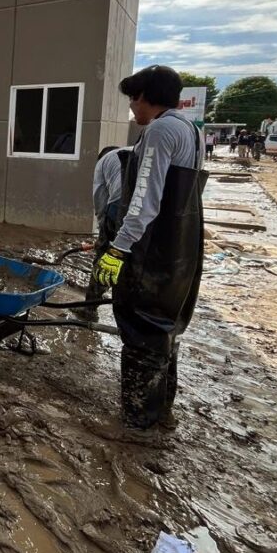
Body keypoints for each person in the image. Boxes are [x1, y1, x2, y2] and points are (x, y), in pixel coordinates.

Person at [93, 64, 206, 430]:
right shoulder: (191, 129)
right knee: (164, 331)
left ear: (146, 97)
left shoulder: (159, 130)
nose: (131, 108)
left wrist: (117, 249)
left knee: (142, 331)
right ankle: (159, 410)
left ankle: (138, 418)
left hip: (150, 250)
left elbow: (144, 202)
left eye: (133, 99)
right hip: (181, 249)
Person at [81, 144, 131, 319]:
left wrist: (103, 234)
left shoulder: (103, 162)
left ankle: (89, 309)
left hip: (120, 205)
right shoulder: (135, 150)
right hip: (156, 207)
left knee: (105, 258)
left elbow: (101, 201)